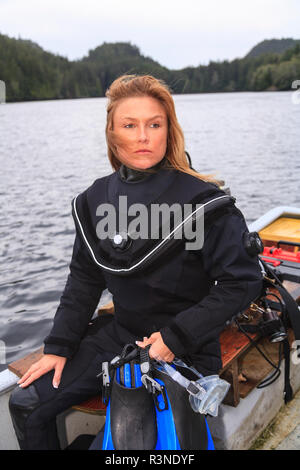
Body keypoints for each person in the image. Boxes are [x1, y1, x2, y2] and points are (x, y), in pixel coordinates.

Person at [9, 74, 263, 450]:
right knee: (27, 402)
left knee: (132, 443)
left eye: (154, 124)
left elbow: (242, 282)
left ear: (168, 132)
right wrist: (58, 345)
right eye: (130, 125)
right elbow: (83, 278)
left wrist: (174, 339)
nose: (143, 136)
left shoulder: (204, 203)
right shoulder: (94, 201)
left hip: (184, 345)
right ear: (112, 134)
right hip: (121, 334)